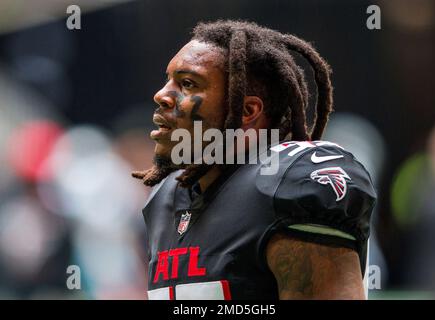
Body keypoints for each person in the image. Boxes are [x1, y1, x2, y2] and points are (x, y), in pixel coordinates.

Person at [132, 20, 376, 300]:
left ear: (247, 110)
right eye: (169, 80)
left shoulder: (290, 182)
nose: (162, 95)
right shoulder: (166, 198)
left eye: (188, 83)